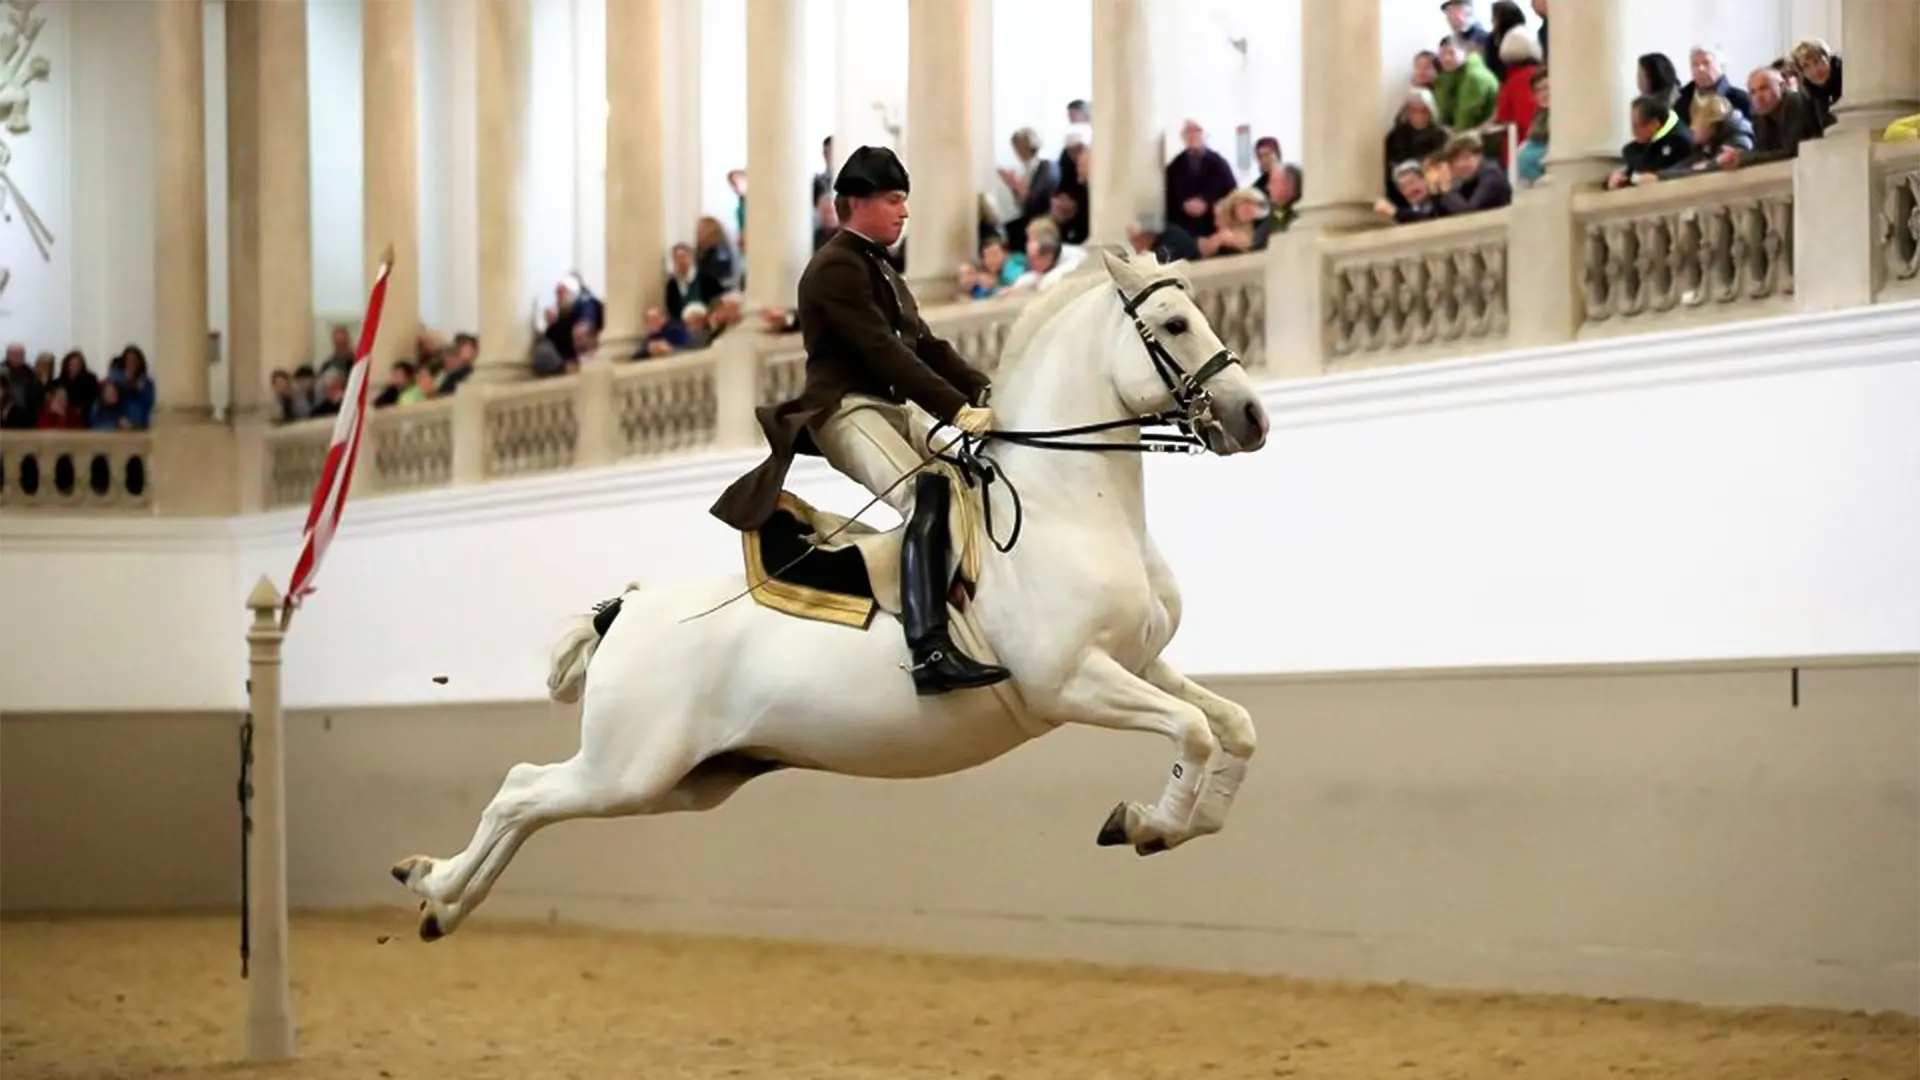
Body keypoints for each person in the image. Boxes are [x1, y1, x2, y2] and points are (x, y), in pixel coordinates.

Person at [709, 145, 1010, 697]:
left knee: (972, 482)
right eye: (894, 200)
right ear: (855, 203)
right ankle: (929, 649)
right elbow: (881, 351)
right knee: (927, 493)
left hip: (891, 408)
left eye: (905, 200)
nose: (905, 211)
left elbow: (928, 347)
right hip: (846, 407)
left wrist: (986, 390)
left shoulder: (880, 267)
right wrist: (955, 409)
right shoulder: (833, 268)